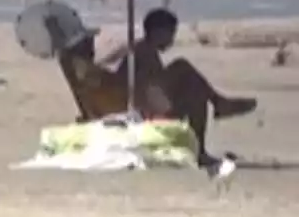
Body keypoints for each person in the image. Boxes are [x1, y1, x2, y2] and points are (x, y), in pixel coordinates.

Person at [101, 8, 256, 166]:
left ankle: (217, 106)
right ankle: (216, 109)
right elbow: (154, 95)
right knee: (183, 69)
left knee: (195, 91)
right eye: (171, 33)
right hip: (142, 116)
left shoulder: (138, 49)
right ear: (158, 32)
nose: (172, 39)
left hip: (141, 109)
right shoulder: (144, 52)